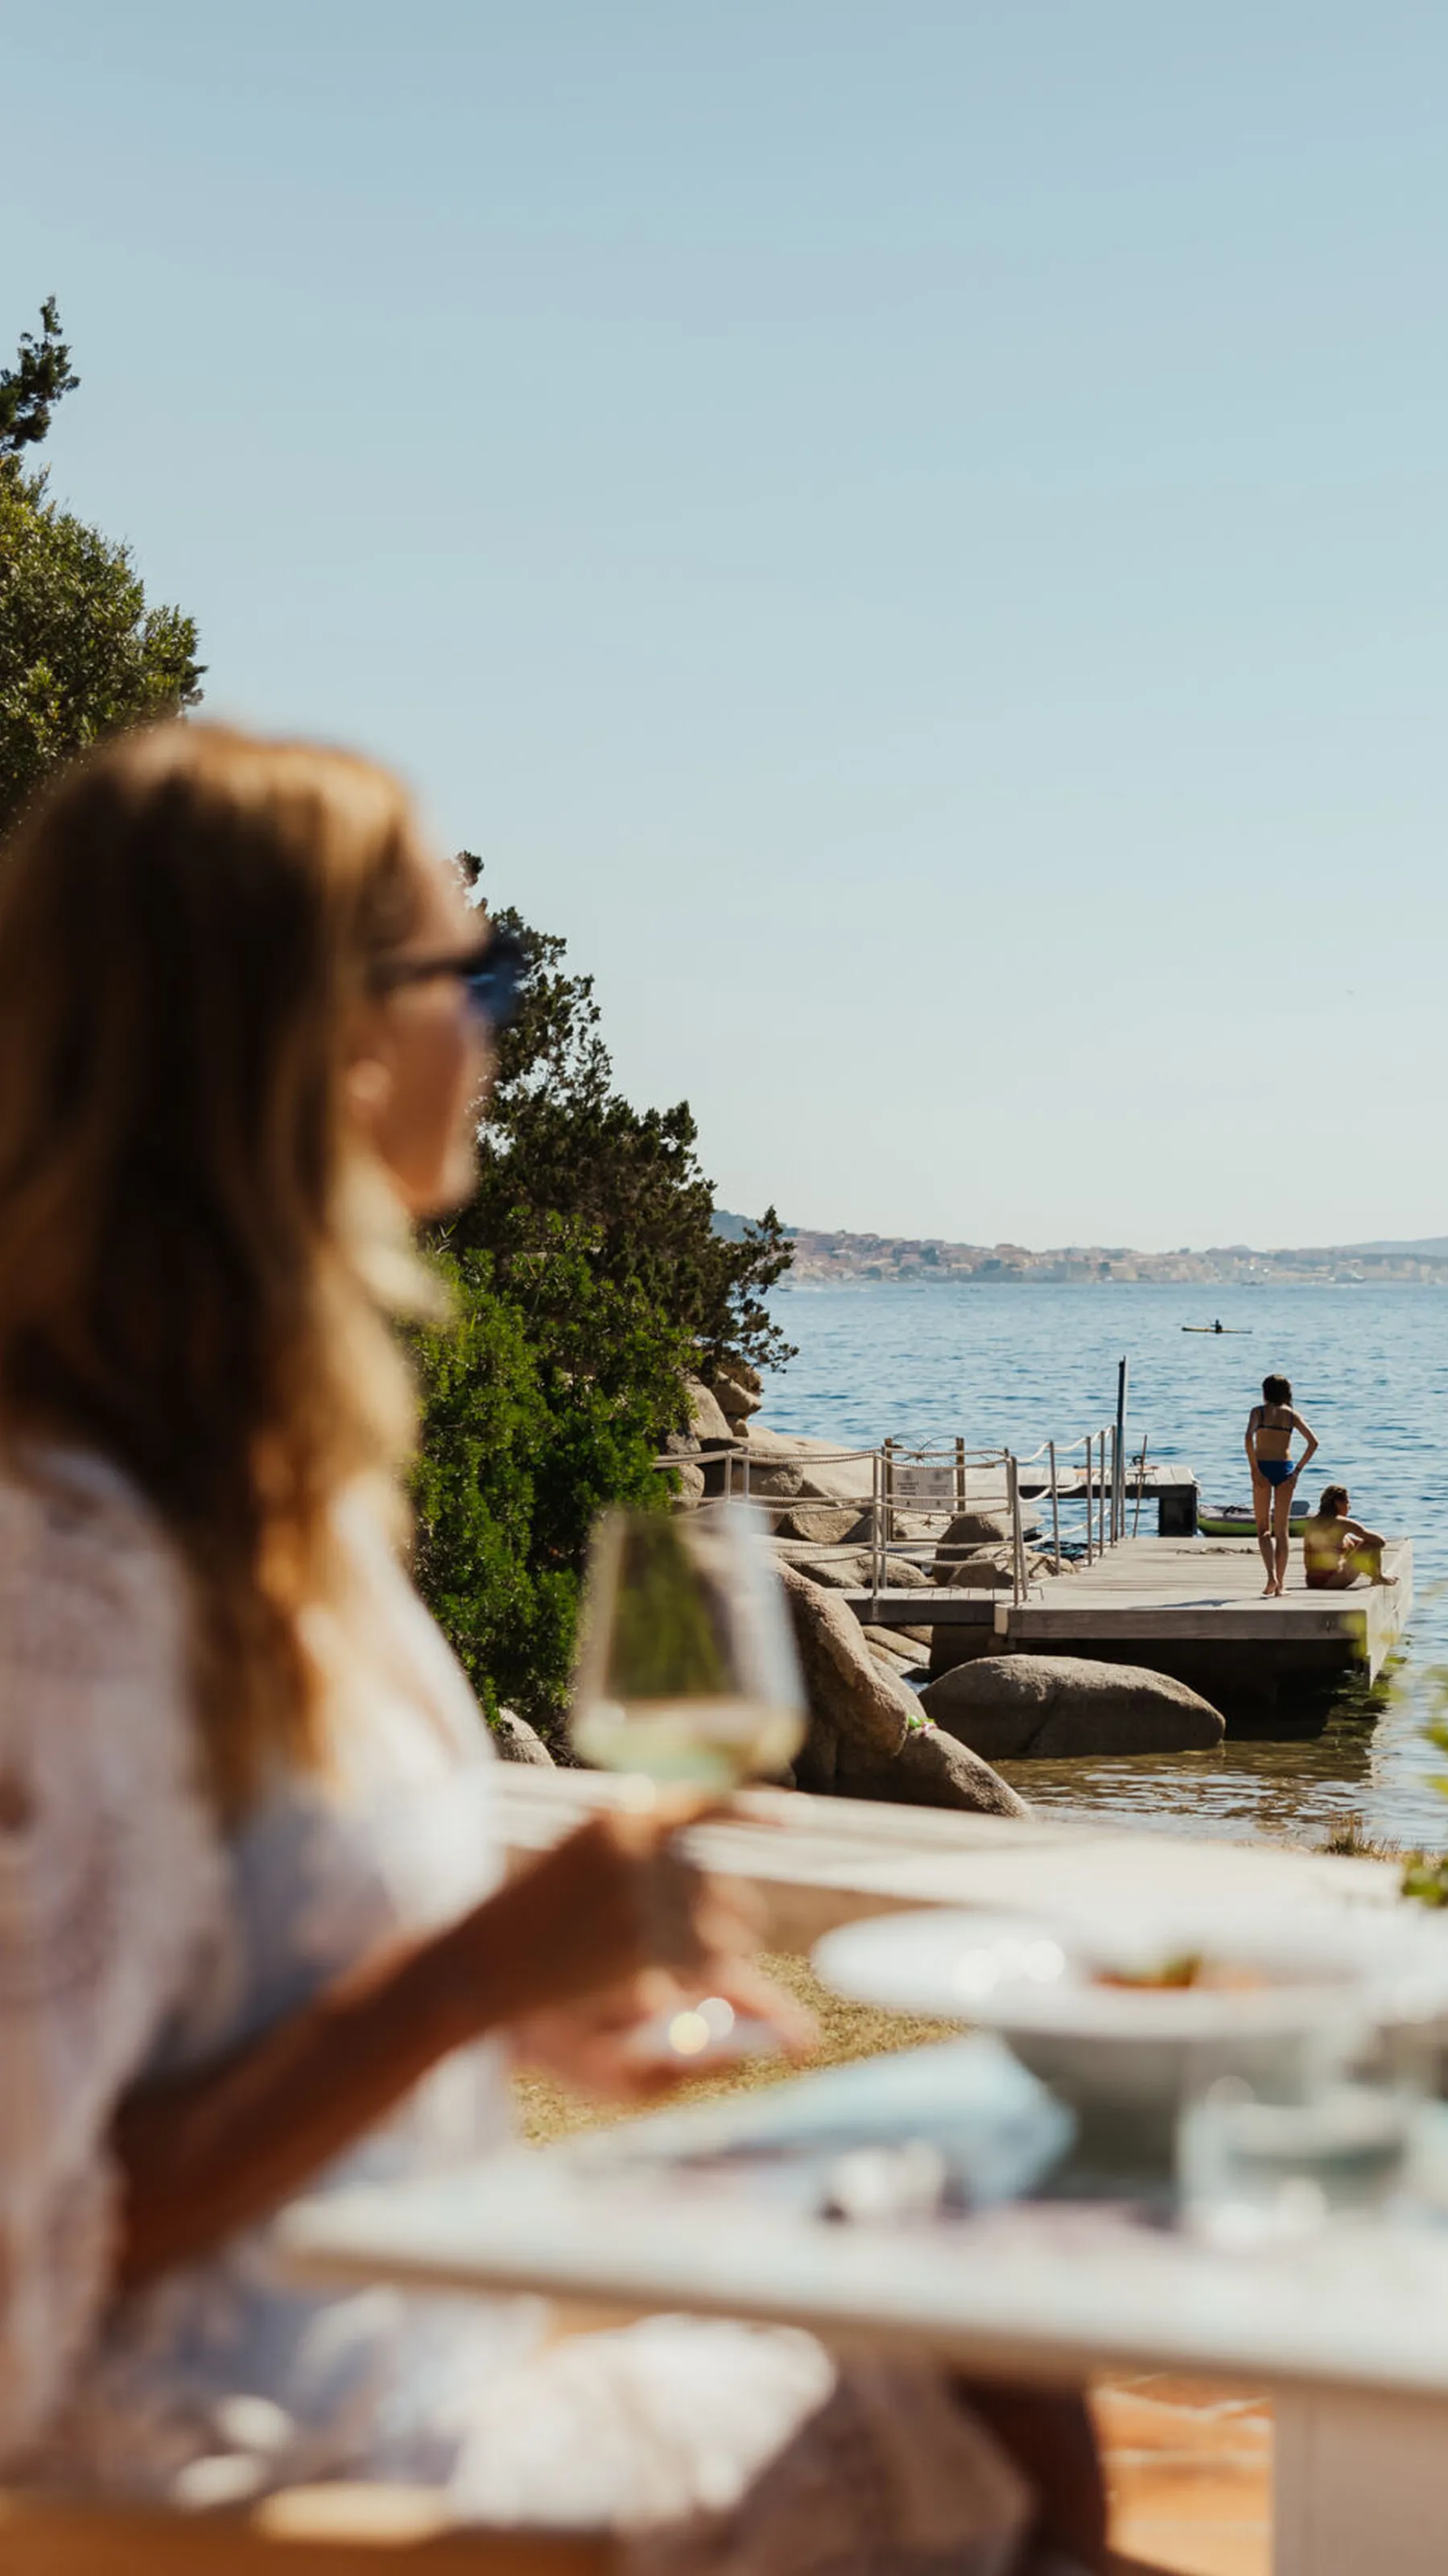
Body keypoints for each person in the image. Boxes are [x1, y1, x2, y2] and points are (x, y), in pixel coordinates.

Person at [0, 726, 1104, 2574]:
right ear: (325, 1041)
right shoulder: (73, 1587)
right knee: (988, 2387)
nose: (504, 1023)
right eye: (477, 972)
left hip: (378, 2381)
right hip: (221, 2491)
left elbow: (215, 1992)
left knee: (978, 2316)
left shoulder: (257, 1513)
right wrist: (462, 1983)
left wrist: (516, 2005)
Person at [1244, 1373, 1317, 1598]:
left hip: (1263, 1467)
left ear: (1265, 1392)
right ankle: (1281, 1585)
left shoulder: (1258, 1412)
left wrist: (1255, 1469)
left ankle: (1271, 1578)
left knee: (1263, 1528)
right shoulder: (1291, 1415)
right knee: (1282, 1530)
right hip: (1285, 1469)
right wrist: (1297, 1472)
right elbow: (1313, 1443)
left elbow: (1248, 1438)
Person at [1301, 1487, 1385, 1592]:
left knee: (1356, 1546)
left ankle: (1376, 1576)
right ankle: (1379, 1577)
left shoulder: (1312, 1521)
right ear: (1338, 1503)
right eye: (1347, 1502)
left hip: (1311, 1581)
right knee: (1372, 1544)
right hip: (1332, 1580)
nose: (1349, 1507)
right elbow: (1380, 1542)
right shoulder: (1342, 1523)